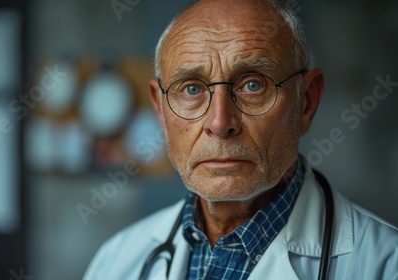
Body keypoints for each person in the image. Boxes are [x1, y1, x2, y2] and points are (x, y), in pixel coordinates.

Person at [84, 0, 398, 279]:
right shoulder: (116, 261)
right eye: (191, 89)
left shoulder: (386, 264)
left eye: (252, 85)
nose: (220, 123)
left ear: (307, 101)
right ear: (160, 110)